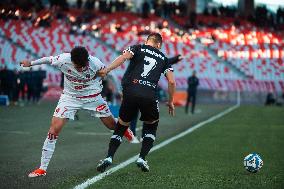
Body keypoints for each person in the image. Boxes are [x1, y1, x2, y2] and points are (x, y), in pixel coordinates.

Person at [20, 46, 136, 178]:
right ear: (72, 60)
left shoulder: (95, 62)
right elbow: (48, 59)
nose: (81, 69)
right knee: (53, 131)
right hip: (70, 98)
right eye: (78, 66)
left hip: (93, 97)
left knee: (111, 126)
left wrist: (117, 89)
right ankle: (42, 168)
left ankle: (124, 129)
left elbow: (109, 74)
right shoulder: (63, 59)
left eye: (83, 66)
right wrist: (31, 63)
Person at [96, 33, 176, 172]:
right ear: (159, 44)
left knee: (121, 126)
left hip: (130, 93)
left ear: (147, 41)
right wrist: (170, 101)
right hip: (149, 95)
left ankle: (109, 157)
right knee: (151, 126)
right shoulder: (164, 58)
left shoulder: (138, 48)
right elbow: (172, 81)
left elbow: (123, 57)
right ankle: (142, 158)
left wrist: (107, 69)